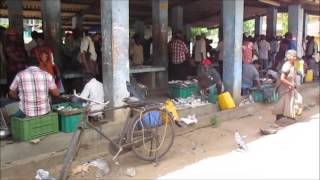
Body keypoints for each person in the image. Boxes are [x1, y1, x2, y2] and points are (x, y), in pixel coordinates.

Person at [274, 50, 303, 120]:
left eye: (295, 57)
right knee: (284, 103)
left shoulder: (292, 65)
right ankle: (282, 117)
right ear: (289, 57)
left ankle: (288, 116)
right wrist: (290, 84)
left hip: (290, 87)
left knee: (296, 100)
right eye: (294, 56)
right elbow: (282, 78)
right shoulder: (286, 66)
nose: (295, 58)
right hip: (284, 88)